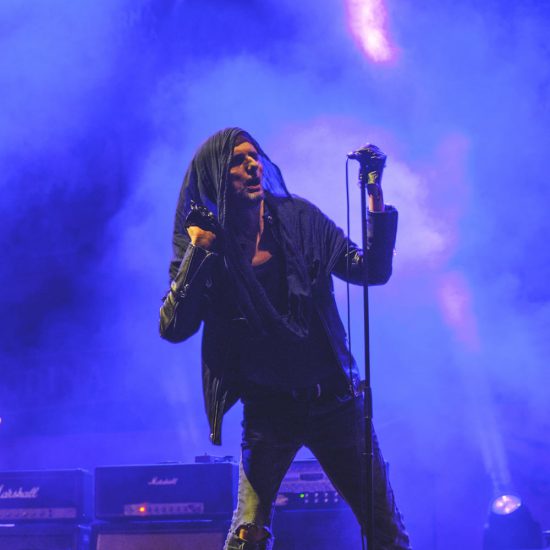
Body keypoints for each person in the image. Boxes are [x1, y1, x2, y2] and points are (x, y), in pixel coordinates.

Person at [159, 127, 411, 549]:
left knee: (384, 529)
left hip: (335, 401)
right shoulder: (210, 249)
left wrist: (373, 191)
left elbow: (372, 270)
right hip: (270, 410)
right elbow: (173, 327)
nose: (252, 165)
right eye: (238, 160)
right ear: (217, 177)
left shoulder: (300, 219)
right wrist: (198, 251)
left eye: (255, 156)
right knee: (247, 534)